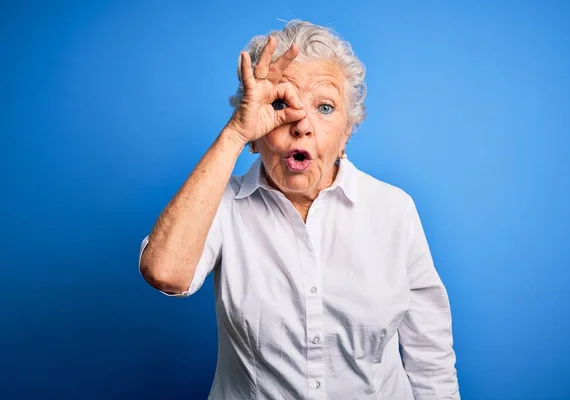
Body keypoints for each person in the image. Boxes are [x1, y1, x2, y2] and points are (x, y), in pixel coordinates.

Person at [139, 20, 460, 400]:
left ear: (347, 132)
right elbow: (165, 273)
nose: (302, 125)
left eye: (325, 107)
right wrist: (235, 133)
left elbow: (431, 360)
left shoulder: (394, 210)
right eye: (279, 104)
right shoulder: (223, 207)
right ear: (256, 135)